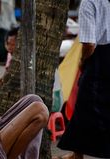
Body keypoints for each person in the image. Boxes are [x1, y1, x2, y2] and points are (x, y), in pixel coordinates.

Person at [57, 0, 110, 158]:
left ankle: (77, 154)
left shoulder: (89, 2)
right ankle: (76, 154)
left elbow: (89, 44)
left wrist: (82, 60)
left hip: (100, 58)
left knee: (85, 104)